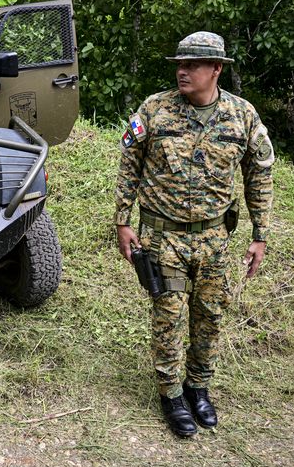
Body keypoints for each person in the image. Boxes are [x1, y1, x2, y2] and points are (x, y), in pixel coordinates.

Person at [114, 31, 274, 437]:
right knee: (167, 317)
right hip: (162, 236)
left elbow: (259, 174)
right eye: (179, 65)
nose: (182, 72)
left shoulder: (243, 116)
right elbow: (129, 165)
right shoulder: (155, 110)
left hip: (215, 240)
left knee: (210, 317)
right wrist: (122, 222)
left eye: (192, 65)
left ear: (216, 69)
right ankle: (170, 394)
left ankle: (198, 387)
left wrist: (260, 234)